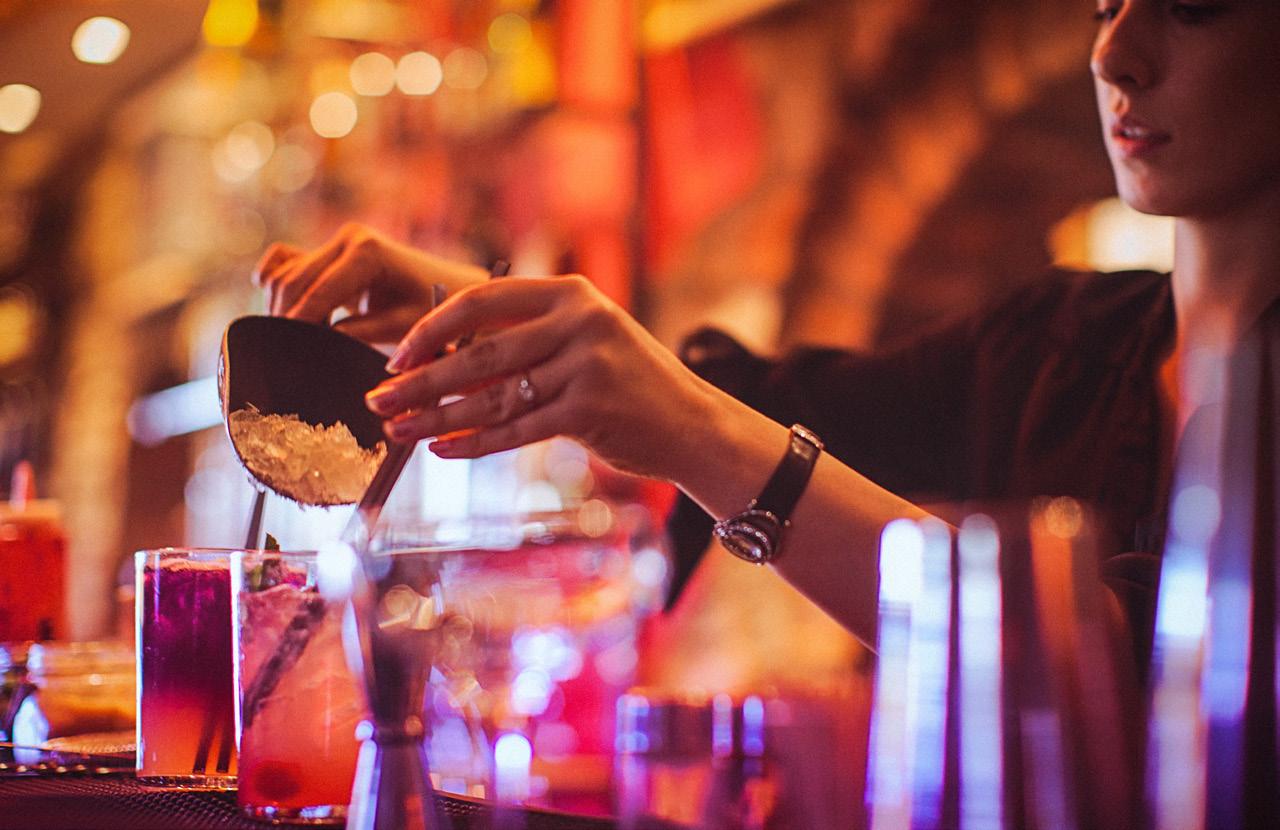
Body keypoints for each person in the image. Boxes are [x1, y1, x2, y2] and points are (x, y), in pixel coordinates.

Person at [254, 0, 1280, 662]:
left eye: (1191, 7)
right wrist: (493, 314)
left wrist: (697, 434)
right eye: (1103, 4)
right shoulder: (1066, 338)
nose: (1113, 52)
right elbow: (780, 404)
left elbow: (1126, 666)